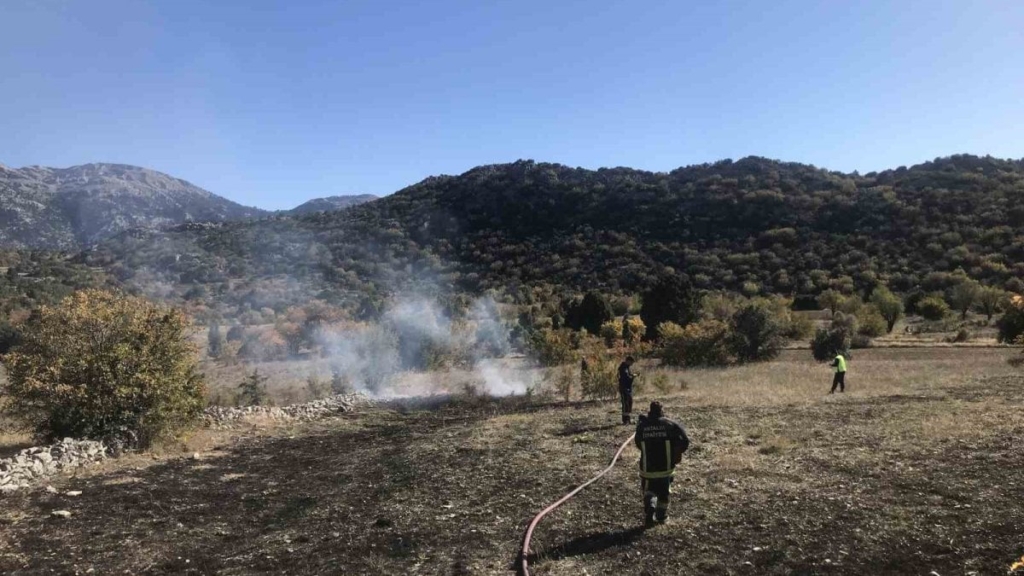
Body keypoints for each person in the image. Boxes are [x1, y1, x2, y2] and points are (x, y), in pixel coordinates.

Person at [634, 401, 689, 527]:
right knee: (664, 493)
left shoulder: (642, 426)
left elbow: (638, 443)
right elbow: (685, 440)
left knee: (649, 490)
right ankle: (661, 516)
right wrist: (678, 452)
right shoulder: (671, 425)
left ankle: (650, 505)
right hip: (666, 468)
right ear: (661, 411)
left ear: (650, 411)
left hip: (647, 469)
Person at [617, 356, 636, 424]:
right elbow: (625, 378)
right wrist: (632, 377)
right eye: (631, 362)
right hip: (624, 388)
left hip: (628, 388)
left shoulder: (627, 368)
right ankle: (625, 420)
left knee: (629, 402)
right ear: (628, 361)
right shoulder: (623, 368)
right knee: (625, 404)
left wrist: (632, 375)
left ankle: (628, 419)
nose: (632, 364)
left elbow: (628, 375)